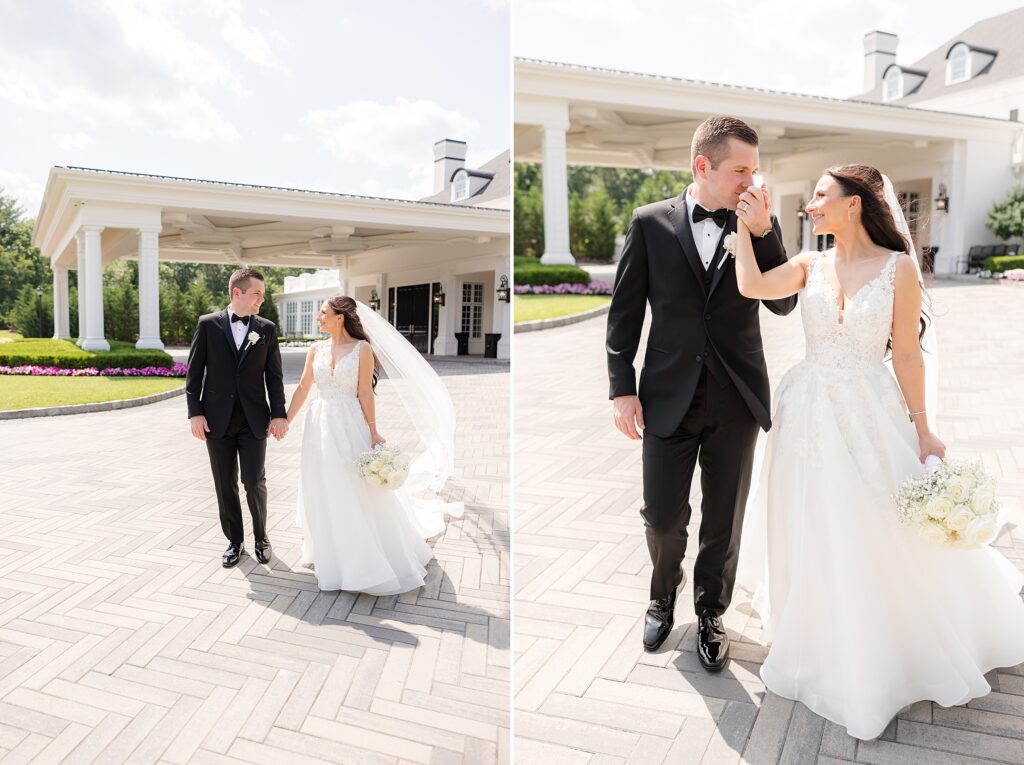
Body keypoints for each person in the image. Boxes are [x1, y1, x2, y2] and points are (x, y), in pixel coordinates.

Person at [733, 163, 1024, 740]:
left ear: (854, 205)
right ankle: (820, 631)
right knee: (812, 518)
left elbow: (909, 356)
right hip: (806, 410)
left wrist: (924, 429)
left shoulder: (899, 269)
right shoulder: (810, 264)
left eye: (821, 195)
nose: (811, 205)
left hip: (868, 409)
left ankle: (879, 640)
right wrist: (746, 229)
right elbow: (753, 286)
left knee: (874, 518)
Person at [605, 116, 798, 668]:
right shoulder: (649, 224)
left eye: (755, 171)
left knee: (724, 518)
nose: (751, 183)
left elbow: (783, 303)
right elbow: (624, 314)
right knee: (663, 516)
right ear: (702, 166)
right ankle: (662, 594)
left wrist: (763, 232)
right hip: (666, 396)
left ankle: (712, 612)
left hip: (737, 397)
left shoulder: (760, 222)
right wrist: (623, 391)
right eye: (741, 170)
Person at [286, 296, 463, 594]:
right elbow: (304, 387)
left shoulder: (362, 349)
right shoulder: (315, 349)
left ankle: (362, 555)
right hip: (319, 426)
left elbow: (365, 392)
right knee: (324, 484)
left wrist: (374, 431)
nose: (319, 318)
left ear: (340, 317)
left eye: (323, 313)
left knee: (354, 485)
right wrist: (286, 420)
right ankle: (330, 548)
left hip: (350, 423)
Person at [186, 267, 288, 568]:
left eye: (263, 295)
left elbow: (275, 377)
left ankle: (261, 537)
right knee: (223, 483)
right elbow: (194, 375)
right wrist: (195, 413)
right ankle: (235, 540)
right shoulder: (207, 325)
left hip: (254, 420)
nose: (261, 299)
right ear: (237, 293)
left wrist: (279, 414)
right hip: (216, 419)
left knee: (254, 480)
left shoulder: (266, 329)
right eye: (257, 293)